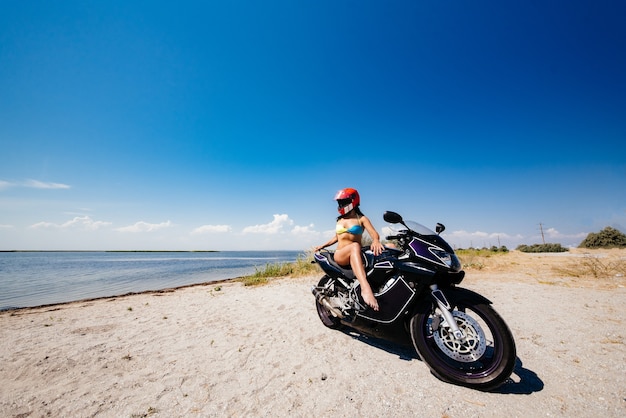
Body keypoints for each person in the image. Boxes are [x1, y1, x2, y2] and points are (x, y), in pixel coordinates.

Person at [314, 188, 384, 311]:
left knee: (390, 248)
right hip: (341, 255)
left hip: (355, 254)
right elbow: (336, 237)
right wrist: (322, 246)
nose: (340, 205)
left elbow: (374, 233)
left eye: (343, 202)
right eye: (339, 202)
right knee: (355, 246)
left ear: (353, 201)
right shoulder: (340, 220)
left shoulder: (361, 218)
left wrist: (376, 241)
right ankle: (365, 288)